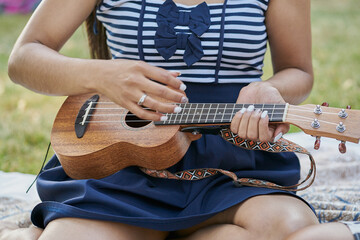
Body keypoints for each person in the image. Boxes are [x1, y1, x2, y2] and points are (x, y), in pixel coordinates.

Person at [4, 0, 357, 239]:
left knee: (294, 227)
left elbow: (298, 71)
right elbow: (24, 59)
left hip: (234, 163)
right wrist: (102, 75)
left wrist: (270, 89)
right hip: (123, 163)